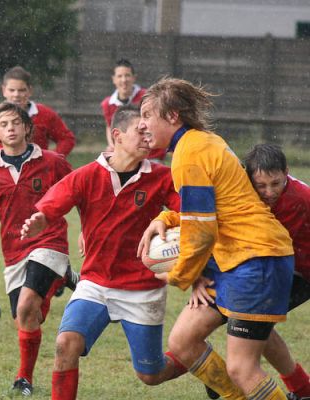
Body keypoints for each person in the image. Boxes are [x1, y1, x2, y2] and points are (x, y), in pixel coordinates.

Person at [137, 77, 295, 400]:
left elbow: (201, 231)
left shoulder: (190, 153)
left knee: (242, 368)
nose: (142, 124)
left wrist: (180, 275)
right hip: (235, 261)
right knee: (182, 341)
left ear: (172, 116)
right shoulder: (199, 143)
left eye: (147, 114)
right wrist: (165, 217)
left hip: (254, 259)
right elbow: (212, 210)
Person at [21, 105, 183, 400]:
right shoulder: (86, 175)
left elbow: (189, 213)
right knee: (66, 343)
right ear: (118, 136)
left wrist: (167, 222)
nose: (149, 137)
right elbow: (53, 205)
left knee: (151, 374)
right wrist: (40, 219)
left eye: (150, 131)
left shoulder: (162, 177)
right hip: (95, 283)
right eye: (141, 131)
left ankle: (196, 360)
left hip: (142, 288)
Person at [0, 102, 78, 396]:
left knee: (26, 305)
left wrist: (88, 231)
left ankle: (22, 377)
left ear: (27, 128)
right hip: (14, 253)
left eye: (15, 123)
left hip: (50, 242)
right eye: (3, 125)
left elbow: (79, 192)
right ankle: (63, 277)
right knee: (25, 317)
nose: (10, 128)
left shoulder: (52, 162)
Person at [172, 143, 310, 400]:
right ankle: (300, 389)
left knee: (252, 321)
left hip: (297, 271)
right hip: (254, 265)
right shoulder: (242, 191)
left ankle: (236, 381)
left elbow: (258, 245)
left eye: (276, 184)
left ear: (287, 173)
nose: (269, 192)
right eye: (261, 185)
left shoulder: (298, 200)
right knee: (255, 324)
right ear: (248, 178)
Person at [0, 66, 75, 166]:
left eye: (21, 90)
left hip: (39, 174)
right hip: (5, 174)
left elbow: (66, 139)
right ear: (3, 90)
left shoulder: (45, 114)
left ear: (30, 91)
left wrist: (51, 160)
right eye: (12, 90)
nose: (16, 95)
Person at [100, 59, 165, 161]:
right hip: (124, 154)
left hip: (150, 154)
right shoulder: (107, 104)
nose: (124, 80)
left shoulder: (147, 98)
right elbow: (110, 126)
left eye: (127, 75)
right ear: (114, 79)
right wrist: (112, 145)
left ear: (134, 78)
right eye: (120, 76)